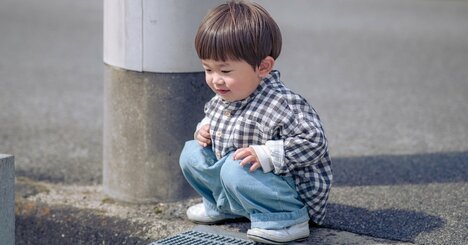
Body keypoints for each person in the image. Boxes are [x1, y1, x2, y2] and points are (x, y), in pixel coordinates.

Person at [179, 1, 332, 244]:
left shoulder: (283, 104)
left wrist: (268, 153)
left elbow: (315, 142)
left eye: (225, 71)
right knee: (191, 152)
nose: (215, 80)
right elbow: (213, 115)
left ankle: (288, 219)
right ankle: (225, 205)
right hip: (243, 183)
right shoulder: (228, 96)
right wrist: (204, 129)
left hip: (287, 193)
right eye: (208, 69)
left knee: (234, 167)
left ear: (263, 67)